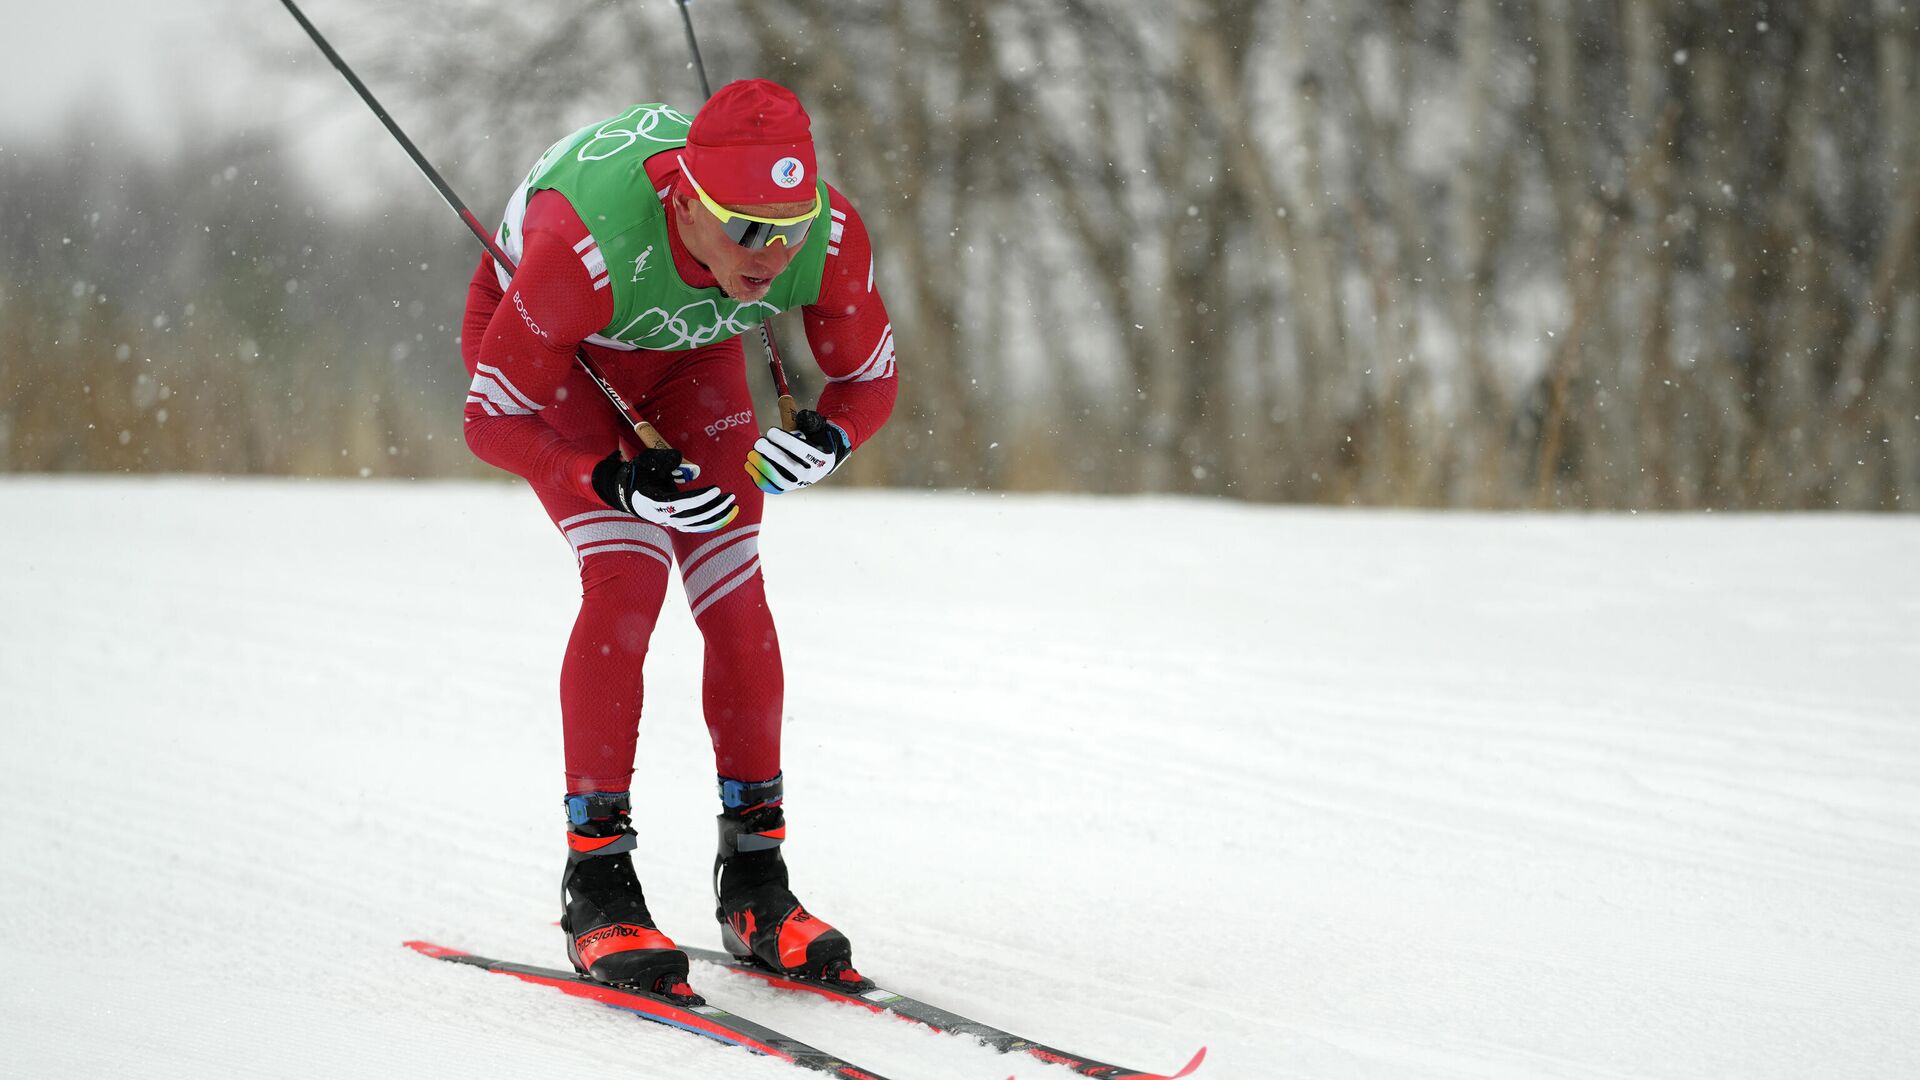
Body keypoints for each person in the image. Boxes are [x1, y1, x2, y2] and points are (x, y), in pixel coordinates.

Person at [457, 80, 897, 996]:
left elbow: (869, 380)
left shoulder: (823, 234)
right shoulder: (581, 250)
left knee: (736, 596)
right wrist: (607, 478)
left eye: (790, 226)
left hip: (693, 355)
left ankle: (756, 886)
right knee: (627, 579)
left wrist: (831, 432)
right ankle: (598, 882)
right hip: (567, 358)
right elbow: (491, 417)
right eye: (746, 229)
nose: (772, 254)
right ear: (688, 203)